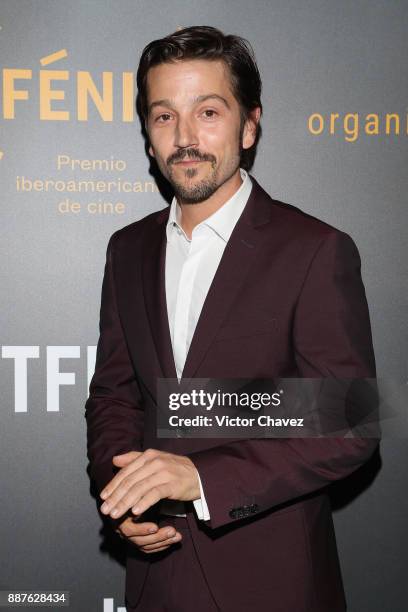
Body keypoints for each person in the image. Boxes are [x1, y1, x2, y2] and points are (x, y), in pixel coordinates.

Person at [85, 26, 379, 612]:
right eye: (164, 116)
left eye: (209, 112)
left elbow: (349, 424)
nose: (185, 138)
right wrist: (124, 493)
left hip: (274, 581)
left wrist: (201, 479)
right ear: (147, 135)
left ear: (249, 125)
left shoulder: (314, 249)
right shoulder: (128, 249)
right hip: (156, 577)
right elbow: (116, 396)